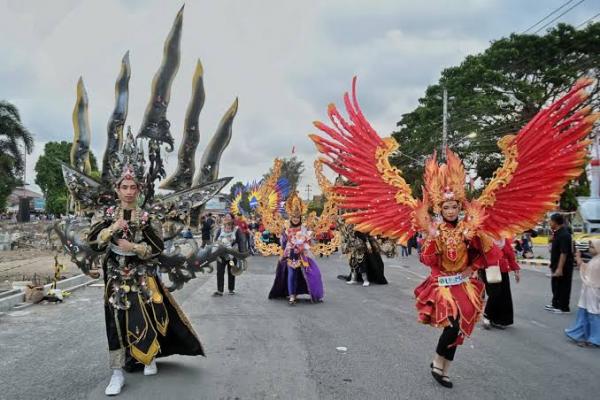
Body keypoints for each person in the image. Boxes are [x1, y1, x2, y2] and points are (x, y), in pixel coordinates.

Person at [88, 166, 204, 396]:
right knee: (116, 322)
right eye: (124, 187)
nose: (128, 192)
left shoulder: (145, 217)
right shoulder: (107, 214)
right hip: (114, 276)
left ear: (139, 190)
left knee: (146, 314)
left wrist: (134, 247)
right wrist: (113, 228)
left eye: (133, 187)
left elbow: (158, 247)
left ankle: (148, 355)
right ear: (117, 189)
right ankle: (117, 372)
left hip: (141, 274)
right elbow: (94, 243)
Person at [268, 192, 324, 304]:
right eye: (293, 217)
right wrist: (283, 253)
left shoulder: (304, 228)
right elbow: (283, 242)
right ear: (290, 217)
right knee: (291, 273)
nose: (295, 219)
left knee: (312, 274)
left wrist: (303, 246)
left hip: (303, 255)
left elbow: (309, 240)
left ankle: (312, 293)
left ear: (300, 218)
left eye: (297, 217)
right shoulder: (286, 229)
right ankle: (292, 295)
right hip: (290, 255)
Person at [565, 240, 600, 347]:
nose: (590, 249)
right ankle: (581, 334)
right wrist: (578, 256)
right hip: (589, 291)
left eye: (592, 247)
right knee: (584, 313)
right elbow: (585, 268)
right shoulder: (595, 260)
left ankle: (595, 339)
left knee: (593, 314)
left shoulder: (598, 261)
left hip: (594, 291)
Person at [481, 237, 521, 329]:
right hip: (489, 269)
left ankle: (499, 320)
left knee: (504, 295)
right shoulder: (486, 238)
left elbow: (510, 254)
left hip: (503, 270)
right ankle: (487, 316)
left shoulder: (504, 240)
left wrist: (516, 270)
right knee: (494, 293)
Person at [546, 213, 574, 314]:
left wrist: (560, 268)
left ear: (555, 222)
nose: (549, 223)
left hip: (563, 266)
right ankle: (555, 304)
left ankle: (563, 307)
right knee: (556, 285)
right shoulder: (557, 232)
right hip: (556, 264)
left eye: (550, 221)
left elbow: (564, 253)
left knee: (563, 285)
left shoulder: (564, 234)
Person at [213, 214, 246, 296]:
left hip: (231, 257)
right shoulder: (220, 229)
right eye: (225, 217)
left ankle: (231, 289)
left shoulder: (236, 230)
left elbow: (241, 242)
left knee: (231, 271)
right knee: (220, 272)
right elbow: (216, 240)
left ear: (232, 219)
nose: (227, 218)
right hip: (221, 256)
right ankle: (220, 290)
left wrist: (242, 255)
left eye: (229, 217)